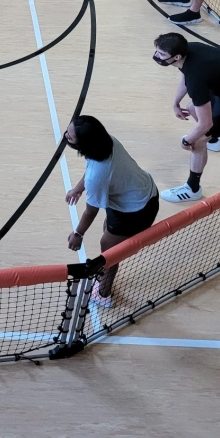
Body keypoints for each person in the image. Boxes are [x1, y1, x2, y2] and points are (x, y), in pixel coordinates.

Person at [152, 32, 220, 203]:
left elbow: (205, 123)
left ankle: (192, 189)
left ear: (177, 56)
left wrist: (187, 141)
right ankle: (214, 138)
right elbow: (185, 75)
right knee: (191, 107)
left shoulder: (197, 78)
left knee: (197, 142)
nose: (156, 56)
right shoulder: (190, 50)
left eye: (161, 54)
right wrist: (176, 102)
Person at [64, 115, 159, 307]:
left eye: (70, 136)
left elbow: (90, 211)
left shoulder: (97, 176)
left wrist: (78, 234)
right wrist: (78, 189)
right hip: (144, 191)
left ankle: (104, 294)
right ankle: (106, 272)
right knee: (109, 230)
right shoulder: (108, 141)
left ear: (84, 146)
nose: (66, 135)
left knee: (108, 249)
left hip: (136, 211)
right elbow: (92, 167)